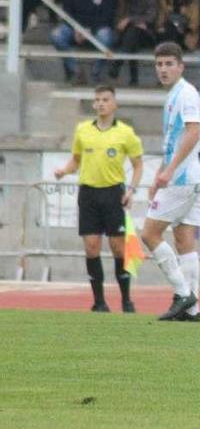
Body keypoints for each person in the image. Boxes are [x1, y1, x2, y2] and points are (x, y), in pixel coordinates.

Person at [54, 85, 144, 313]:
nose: (101, 104)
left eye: (105, 99)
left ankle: (126, 300)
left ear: (114, 104)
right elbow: (76, 159)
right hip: (89, 193)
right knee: (92, 247)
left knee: (118, 248)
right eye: (97, 100)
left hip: (113, 193)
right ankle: (99, 302)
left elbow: (138, 164)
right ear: (94, 104)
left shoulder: (125, 133)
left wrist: (131, 190)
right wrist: (64, 171)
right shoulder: (83, 130)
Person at [141, 42, 200, 322]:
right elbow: (174, 140)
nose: (164, 69)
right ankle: (192, 310)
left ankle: (183, 293)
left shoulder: (186, 94)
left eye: (169, 64)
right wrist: (161, 172)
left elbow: (193, 132)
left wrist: (170, 172)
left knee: (149, 233)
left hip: (184, 177)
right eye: (159, 64)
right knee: (184, 239)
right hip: (192, 175)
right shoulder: (175, 95)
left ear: (181, 66)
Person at [51, 0, 117, 84]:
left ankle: (95, 73)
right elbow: (67, 13)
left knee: (107, 36)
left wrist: (88, 30)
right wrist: (77, 29)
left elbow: (108, 16)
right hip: (75, 28)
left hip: (97, 27)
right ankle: (76, 71)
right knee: (56, 35)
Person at [110, 0, 158, 85]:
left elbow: (151, 16)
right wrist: (129, 23)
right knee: (132, 34)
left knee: (133, 33)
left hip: (147, 33)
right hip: (125, 33)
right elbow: (118, 17)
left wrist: (130, 20)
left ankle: (118, 64)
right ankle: (133, 79)